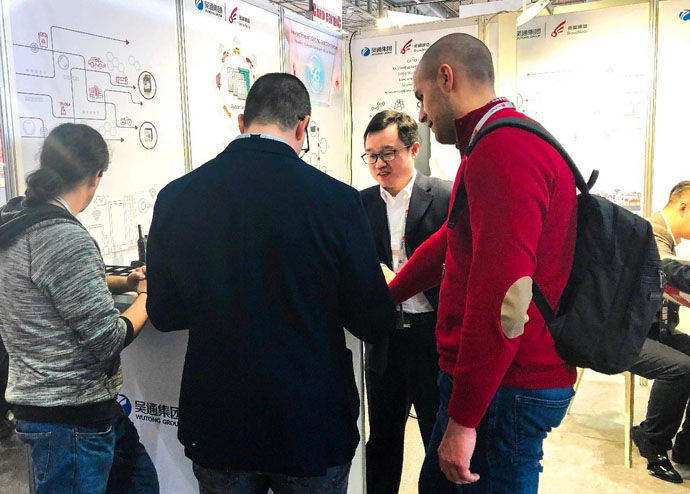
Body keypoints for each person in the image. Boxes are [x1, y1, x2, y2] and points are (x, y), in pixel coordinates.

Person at [145, 73, 396, 494]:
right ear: (303, 126)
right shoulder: (338, 200)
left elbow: (165, 314)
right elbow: (373, 320)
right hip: (311, 423)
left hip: (220, 424)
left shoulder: (176, 196)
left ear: (242, 122)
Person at [388, 33, 578, 493]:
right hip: (493, 385)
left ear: (446, 78)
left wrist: (465, 420)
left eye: (421, 97)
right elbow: (451, 240)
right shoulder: (489, 144)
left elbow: (504, 299)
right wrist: (386, 294)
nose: (421, 115)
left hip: (505, 389)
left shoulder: (503, 150)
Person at [0, 123, 158, 494]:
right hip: (70, 417)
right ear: (95, 176)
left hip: (71, 408)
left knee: (140, 483)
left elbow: (48, 284)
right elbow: (109, 339)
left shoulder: (17, 219)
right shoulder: (63, 236)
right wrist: (147, 297)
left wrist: (123, 282)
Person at [360, 110, 451, 494]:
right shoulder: (359, 204)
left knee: (436, 431)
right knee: (383, 435)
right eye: (371, 155)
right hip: (385, 335)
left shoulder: (444, 196)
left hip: (431, 334)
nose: (379, 164)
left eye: (388, 153)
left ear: (413, 149)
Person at [630, 181, 690, 483]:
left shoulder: (664, 238)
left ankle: (686, 448)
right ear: (684, 206)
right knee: (681, 367)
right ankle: (652, 441)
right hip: (624, 335)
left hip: (653, 330)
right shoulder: (648, 234)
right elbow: (671, 270)